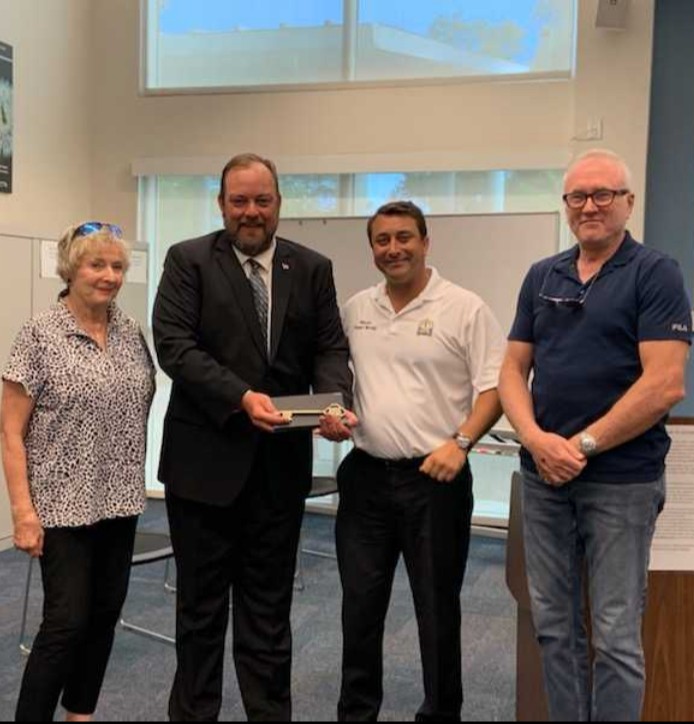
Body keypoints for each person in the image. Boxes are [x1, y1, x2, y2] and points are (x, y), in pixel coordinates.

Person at [152, 152, 355, 721]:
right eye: (239, 201)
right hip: (202, 470)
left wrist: (334, 401)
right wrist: (241, 397)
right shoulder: (189, 260)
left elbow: (329, 348)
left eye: (262, 200)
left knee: (268, 615)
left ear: (278, 204)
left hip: (278, 473)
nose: (250, 212)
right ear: (221, 204)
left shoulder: (311, 267)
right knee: (200, 615)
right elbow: (174, 346)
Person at [499, 149, 691, 721]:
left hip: (621, 483)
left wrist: (581, 446)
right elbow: (511, 371)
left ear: (628, 202)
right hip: (543, 480)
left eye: (603, 194)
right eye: (578, 196)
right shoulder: (543, 275)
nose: (589, 206)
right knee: (553, 628)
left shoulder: (655, 273)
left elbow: (665, 384)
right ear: (566, 205)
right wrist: (536, 440)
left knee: (615, 636)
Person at [336, 200, 505, 722]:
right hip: (365, 478)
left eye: (404, 237)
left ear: (426, 242)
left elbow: (496, 388)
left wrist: (461, 442)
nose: (394, 248)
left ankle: (441, 713)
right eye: (382, 240)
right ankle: (357, 714)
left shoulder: (464, 308)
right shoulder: (356, 309)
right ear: (372, 249)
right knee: (359, 609)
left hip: (435, 481)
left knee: (436, 610)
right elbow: (336, 379)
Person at [0, 222, 156, 722]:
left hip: (120, 499)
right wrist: (23, 512)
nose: (109, 276)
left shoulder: (131, 332)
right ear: (70, 269)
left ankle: (79, 716)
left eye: (117, 266)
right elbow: (10, 432)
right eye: (96, 264)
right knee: (65, 623)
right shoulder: (39, 334)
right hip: (60, 504)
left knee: (104, 616)